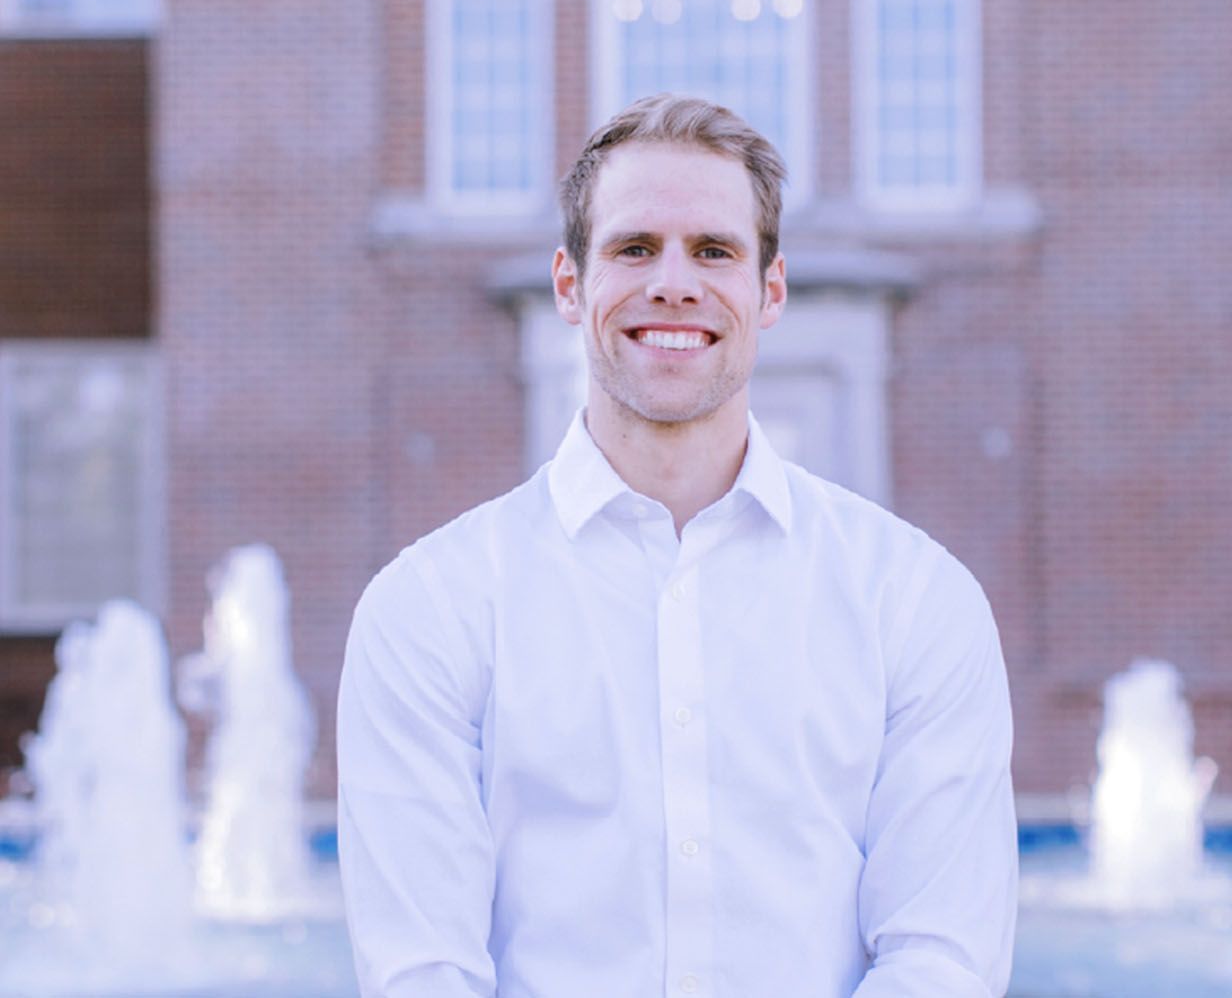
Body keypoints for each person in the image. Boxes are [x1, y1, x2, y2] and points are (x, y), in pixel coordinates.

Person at [337, 94, 1018, 997]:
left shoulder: (914, 598)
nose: (672, 283)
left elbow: (942, 957)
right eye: (631, 248)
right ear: (568, 284)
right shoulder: (429, 607)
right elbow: (422, 971)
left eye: (712, 251)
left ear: (767, 289)